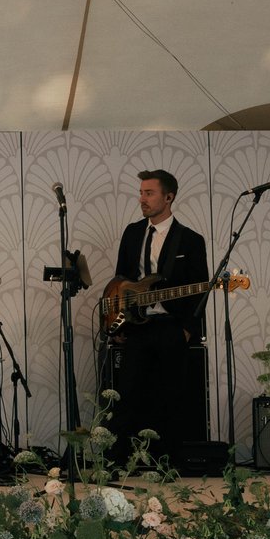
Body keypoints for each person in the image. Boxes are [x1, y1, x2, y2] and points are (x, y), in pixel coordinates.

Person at [106, 170, 211, 469]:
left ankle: (168, 465)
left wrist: (188, 330)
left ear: (169, 197)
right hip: (137, 328)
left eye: (149, 193)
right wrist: (118, 321)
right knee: (127, 396)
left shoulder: (190, 240)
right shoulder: (132, 233)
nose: (142, 199)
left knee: (172, 398)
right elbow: (120, 281)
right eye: (141, 193)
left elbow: (201, 290)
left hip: (171, 327)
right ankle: (118, 463)